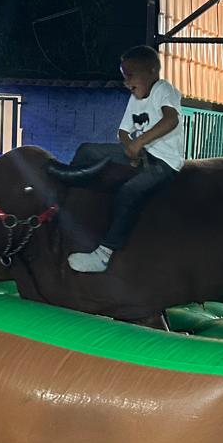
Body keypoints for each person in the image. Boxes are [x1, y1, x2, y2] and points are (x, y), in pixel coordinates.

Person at [67, 46, 184, 273]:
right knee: (87, 150)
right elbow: (122, 130)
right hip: (139, 153)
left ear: (152, 71)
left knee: (129, 192)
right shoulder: (134, 98)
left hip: (163, 162)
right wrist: (130, 146)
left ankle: (104, 254)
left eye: (130, 75)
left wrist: (138, 143)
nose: (126, 82)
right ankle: (70, 197)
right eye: (124, 76)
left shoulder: (163, 89)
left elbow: (171, 120)